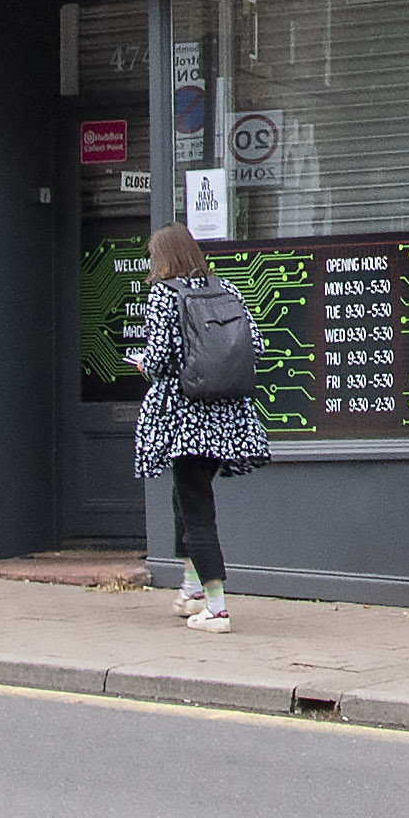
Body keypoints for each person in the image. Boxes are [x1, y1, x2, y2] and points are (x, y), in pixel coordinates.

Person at [133, 224, 269, 631]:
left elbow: (158, 361)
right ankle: (192, 590)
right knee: (186, 499)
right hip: (227, 416)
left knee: (197, 512)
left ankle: (217, 606)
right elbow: (254, 347)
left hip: (184, 418)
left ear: (163, 258)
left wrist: (143, 364)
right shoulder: (226, 289)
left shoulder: (163, 295)